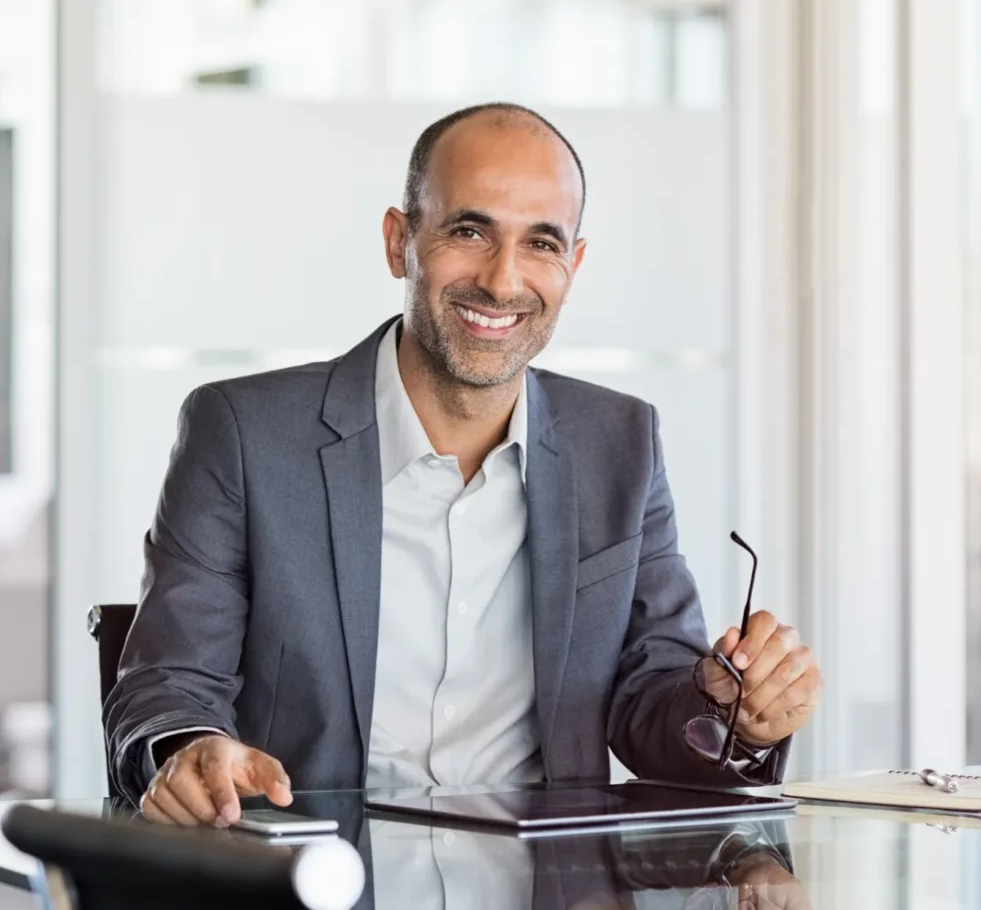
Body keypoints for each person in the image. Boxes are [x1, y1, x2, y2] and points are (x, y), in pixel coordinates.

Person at [105, 103, 822, 827]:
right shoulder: (243, 433)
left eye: (541, 243)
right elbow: (168, 684)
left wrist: (733, 711)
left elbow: (653, 705)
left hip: (544, 882)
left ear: (572, 266)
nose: (503, 280)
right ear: (399, 242)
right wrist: (193, 748)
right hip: (317, 879)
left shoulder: (620, 441)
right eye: (470, 231)